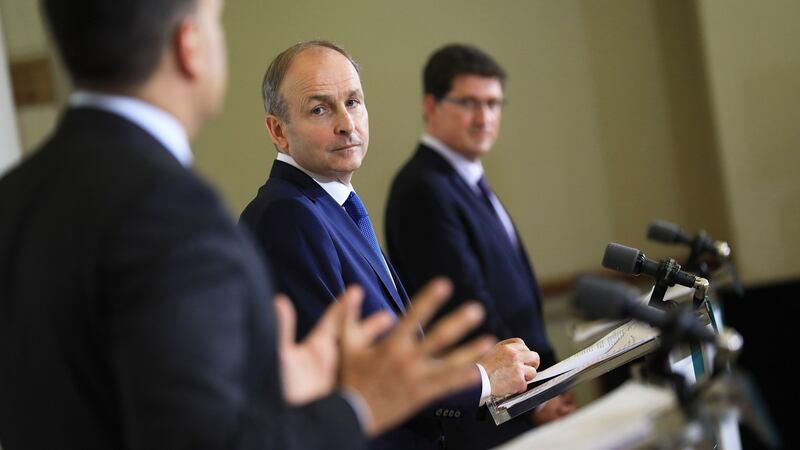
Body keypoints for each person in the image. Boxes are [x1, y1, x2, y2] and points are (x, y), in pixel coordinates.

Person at [0, 2, 498, 448]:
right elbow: (207, 439)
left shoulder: (13, 194)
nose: (346, 121)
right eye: (215, 20)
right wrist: (358, 406)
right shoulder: (172, 210)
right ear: (188, 44)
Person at [240, 40, 541, 449]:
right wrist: (482, 378)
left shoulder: (332, 206)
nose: (347, 123)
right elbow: (347, 380)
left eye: (354, 101)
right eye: (320, 109)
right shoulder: (287, 217)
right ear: (278, 131)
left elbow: (393, 353)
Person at [385, 43, 577, 449]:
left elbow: (517, 299)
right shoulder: (424, 189)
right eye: (469, 103)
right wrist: (535, 397)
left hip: (523, 396)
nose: (484, 117)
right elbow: (466, 311)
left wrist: (553, 381)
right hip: (493, 413)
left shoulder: (468, 180)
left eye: (493, 104)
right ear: (431, 105)